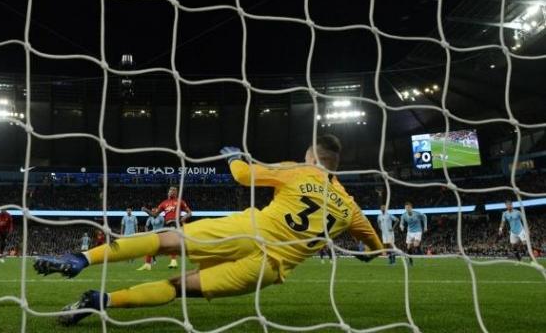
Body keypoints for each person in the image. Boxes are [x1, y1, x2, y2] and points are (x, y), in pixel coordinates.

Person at [34, 134, 383, 326]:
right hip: (267, 267)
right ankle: (101, 302)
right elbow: (376, 247)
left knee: (166, 240)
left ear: (311, 157)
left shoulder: (298, 170)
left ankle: (80, 258)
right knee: (178, 288)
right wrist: (370, 254)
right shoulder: (350, 207)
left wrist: (234, 158)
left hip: (246, 229)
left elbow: (244, 177)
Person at [142, 186, 192, 269]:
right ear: (168, 192)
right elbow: (155, 215)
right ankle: (148, 264)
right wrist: (146, 210)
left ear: (177, 193)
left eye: (174, 190)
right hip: (166, 225)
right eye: (171, 190)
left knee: (171, 243)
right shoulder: (163, 203)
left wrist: (183, 218)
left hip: (175, 224)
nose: (172, 192)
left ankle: (173, 261)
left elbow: (189, 213)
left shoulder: (180, 202)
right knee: (155, 242)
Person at [399, 202, 427, 266]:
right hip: (410, 232)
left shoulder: (417, 213)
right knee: (408, 247)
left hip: (417, 231)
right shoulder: (404, 215)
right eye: (406, 208)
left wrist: (425, 226)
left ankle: (422, 256)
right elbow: (401, 223)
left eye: (408, 207)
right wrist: (401, 227)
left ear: (411, 207)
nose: (407, 209)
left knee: (415, 244)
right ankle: (410, 261)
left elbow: (424, 217)